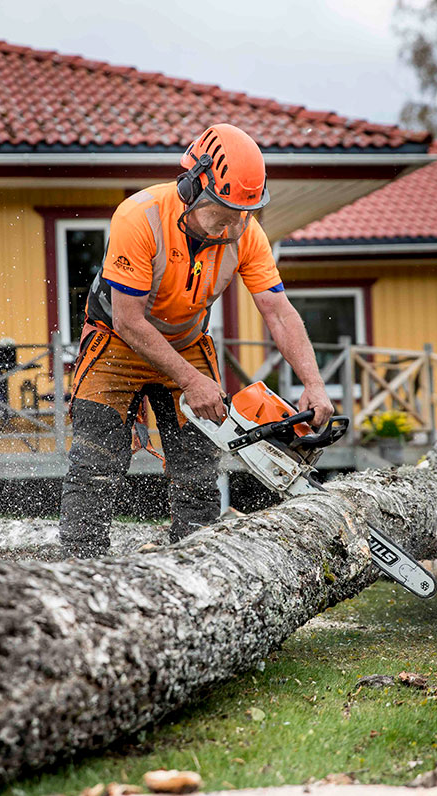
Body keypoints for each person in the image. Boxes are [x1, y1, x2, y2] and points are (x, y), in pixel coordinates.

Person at [59, 122, 334, 558]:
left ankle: (193, 564)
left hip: (186, 340)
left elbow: (278, 311)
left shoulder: (244, 231)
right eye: (220, 213)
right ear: (191, 186)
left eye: (239, 216)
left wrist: (314, 383)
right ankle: (79, 564)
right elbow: (130, 322)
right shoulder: (140, 216)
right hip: (116, 341)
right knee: (96, 463)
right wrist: (192, 381)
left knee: (198, 471)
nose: (229, 228)